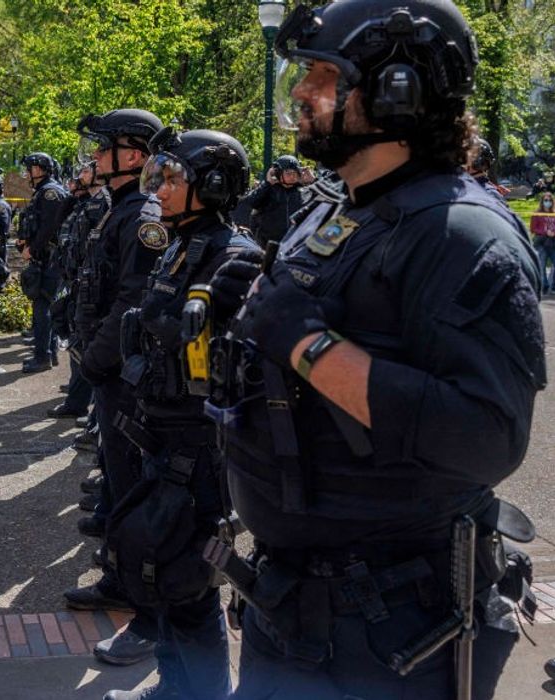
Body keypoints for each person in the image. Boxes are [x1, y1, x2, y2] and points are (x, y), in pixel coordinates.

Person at [208, 1, 544, 697]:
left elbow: (485, 438)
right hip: (293, 606)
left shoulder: (461, 233)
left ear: (398, 91)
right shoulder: (334, 207)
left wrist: (306, 344)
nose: (303, 92)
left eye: (325, 76)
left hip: (389, 629)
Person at [102, 127, 258, 700]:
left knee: (190, 585)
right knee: (161, 573)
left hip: (199, 451)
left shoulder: (233, 257)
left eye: (173, 179)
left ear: (212, 186)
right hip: (162, 440)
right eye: (159, 177)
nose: (160, 190)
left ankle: (203, 693)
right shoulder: (178, 246)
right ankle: (175, 686)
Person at [64, 109, 166, 670]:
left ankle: (143, 604)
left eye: (104, 147)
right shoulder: (117, 208)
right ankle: (120, 579)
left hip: (124, 376)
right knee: (119, 485)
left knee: (133, 489)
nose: (95, 156)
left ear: (134, 155)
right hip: (109, 373)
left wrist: (96, 361)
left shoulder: (142, 215)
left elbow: (133, 300)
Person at [47, 164, 108, 420]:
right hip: (75, 281)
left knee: (85, 344)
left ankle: (83, 406)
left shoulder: (105, 203)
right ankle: (78, 399)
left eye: (85, 171)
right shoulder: (83, 203)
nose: (79, 176)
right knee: (76, 341)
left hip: (90, 284)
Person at [17, 152, 70, 373]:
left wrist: (32, 249)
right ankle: (50, 354)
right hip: (45, 257)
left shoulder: (50, 193)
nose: (26, 173)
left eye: (29, 168)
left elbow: (49, 227)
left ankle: (42, 357)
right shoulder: (43, 191)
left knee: (42, 307)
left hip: (50, 258)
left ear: (39, 169)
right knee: (45, 305)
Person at [237, 154, 309, 245]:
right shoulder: (268, 190)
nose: (292, 176)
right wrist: (267, 183)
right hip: (268, 245)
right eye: (288, 173)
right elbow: (251, 202)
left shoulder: (304, 191)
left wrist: (314, 181)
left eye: (295, 173)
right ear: (278, 173)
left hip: (294, 244)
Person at [531, 192, 555, 293]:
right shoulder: (537, 213)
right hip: (541, 242)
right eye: (546, 200)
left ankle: (553, 285)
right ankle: (544, 286)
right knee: (542, 264)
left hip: (553, 242)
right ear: (542, 201)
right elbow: (533, 229)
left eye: (550, 200)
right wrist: (545, 232)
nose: (548, 202)